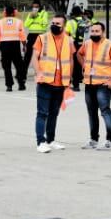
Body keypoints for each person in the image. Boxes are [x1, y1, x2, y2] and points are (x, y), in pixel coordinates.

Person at [77, 22, 111, 149]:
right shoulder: (87, 43)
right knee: (91, 113)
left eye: (97, 31)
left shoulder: (110, 45)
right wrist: (84, 65)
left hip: (103, 84)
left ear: (103, 32)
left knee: (105, 111)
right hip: (89, 84)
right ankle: (93, 139)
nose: (94, 33)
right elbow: (79, 54)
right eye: (92, 31)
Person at [33, 14, 74, 153]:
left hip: (61, 82)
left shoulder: (69, 40)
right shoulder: (42, 38)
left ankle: (51, 140)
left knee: (54, 113)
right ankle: (40, 142)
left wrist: (69, 80)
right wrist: (38, 73)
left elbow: (70, 60)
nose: (54, 25)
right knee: (42, 113)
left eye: (58, 23)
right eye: (53, 22)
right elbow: (35, 57)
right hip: (45, 81)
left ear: (64, 25)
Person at [0, 5, 27, 91]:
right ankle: (21, 84)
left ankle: (9, 86)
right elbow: (22, 35)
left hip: (4, 45)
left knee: (6, 66)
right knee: (19, 65)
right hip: (15, 45)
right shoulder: (19, 22)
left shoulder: (0, 22)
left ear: (5, 12)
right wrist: (24, 45)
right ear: (14, 12)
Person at [22, 0, 50, 80]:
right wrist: (31, 18)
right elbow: (26, 24)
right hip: (31, 36)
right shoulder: (30, 14)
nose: (35, 8)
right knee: (27, 56)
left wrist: (37, 17)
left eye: (37, 7)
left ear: (40, 6)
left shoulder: (44, 13)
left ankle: (39, 73)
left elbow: (45, 24)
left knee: (40, 56)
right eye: (34, 7)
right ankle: (23, 75)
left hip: (40, 36)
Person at [67, 5, 85, 91]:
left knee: (73, 64)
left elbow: (66, 34)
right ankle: (80, 79)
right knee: (79, 64)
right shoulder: (83, 22)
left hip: (73, 44)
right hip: (82, 44)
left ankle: (75, 85)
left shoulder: (70, 22)